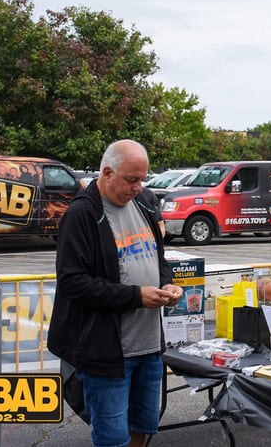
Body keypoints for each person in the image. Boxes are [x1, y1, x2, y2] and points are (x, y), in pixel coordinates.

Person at [48, 139, 182, 447]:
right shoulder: (82, 214)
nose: (138, 187)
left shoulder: (146, 202)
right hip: (107, 353)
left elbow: (157, 258)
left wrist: (166, 284)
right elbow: (72, 282)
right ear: (107, 172)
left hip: (148, 348)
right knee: (112, 439)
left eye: (142, 179)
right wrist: (135, 297)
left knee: (143, 427)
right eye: (131, 180)